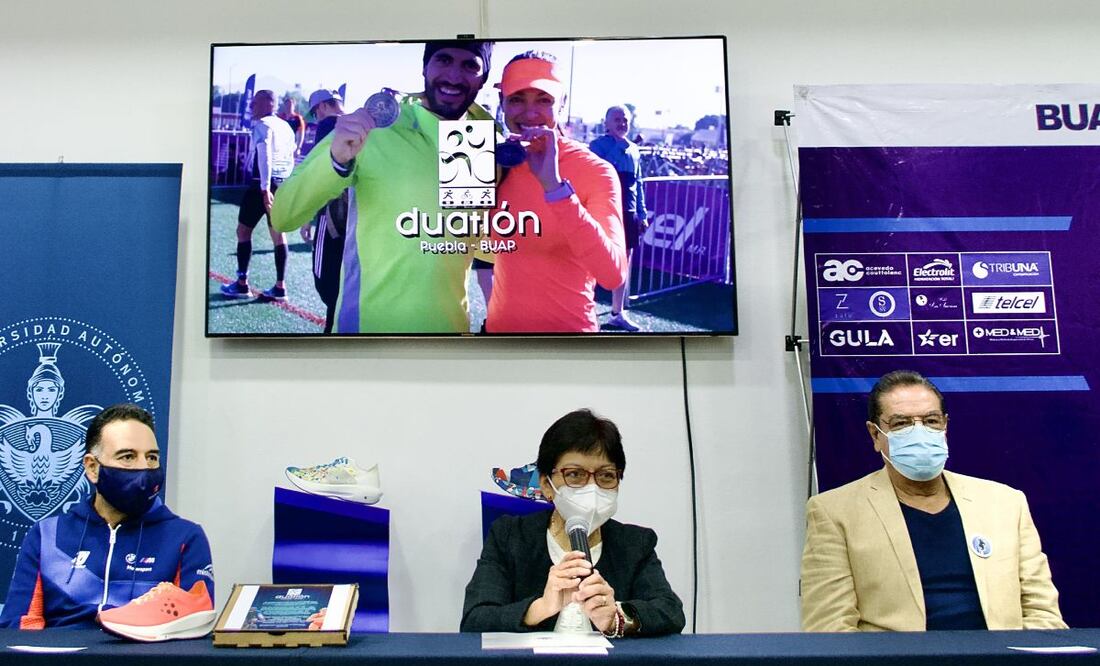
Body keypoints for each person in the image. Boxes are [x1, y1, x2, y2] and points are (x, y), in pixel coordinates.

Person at [800, 370, 1066, 632]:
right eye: (901, 424)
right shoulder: (835, 512)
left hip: (1002, 653)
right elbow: (829, 627)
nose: (919, 433)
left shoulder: (1005, 503)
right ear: (875, 434)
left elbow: (1042, 613)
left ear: (945, 426)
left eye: (931, 421)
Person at [271, 41, 495, 333]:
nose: (454, 75)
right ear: (425, 67)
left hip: (449, 336)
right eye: (443, 60)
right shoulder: (375, 126)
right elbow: (282, 216)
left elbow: (474, 248)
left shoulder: (478, 141)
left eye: (469, 65)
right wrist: (335, 161)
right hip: (369, 338)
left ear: (484, 77)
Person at [461, 409, 684, 636]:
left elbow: (671, 612)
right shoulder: (510, 536)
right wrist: (540, 608)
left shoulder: (635, 543)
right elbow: (475, 618)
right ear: (546, 485)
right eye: (575, 474)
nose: (592, 488)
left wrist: (616, 617)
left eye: (606, 475)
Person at [0, 404, 214, 629]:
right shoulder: (47, 535)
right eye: (128, 457)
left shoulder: (185, 537)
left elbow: (191, 625)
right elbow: (20, 626)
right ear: (92, 468)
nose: (144, 468)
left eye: (152, 457)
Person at [485, 53, 627, 333]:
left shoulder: (595, 170)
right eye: (517, 99)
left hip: (568, 343)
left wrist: (556, 188)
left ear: (562, 104)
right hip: (498, 340)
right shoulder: (495, 160)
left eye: (544, 100)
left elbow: (612, 275)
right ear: (502, 103)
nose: (530, 113)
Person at [221, 89, 296, 302]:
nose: (251, 106)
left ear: (267, 103)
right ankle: (280, 287)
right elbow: (291, 157)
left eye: (254, 102)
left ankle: (242, 283)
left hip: (260, 185)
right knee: (278, 234)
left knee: (243, 231)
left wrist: (264, 189)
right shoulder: (285, 126)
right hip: (281, 184)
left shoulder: (263, 124)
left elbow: (265, 156)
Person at [590, 105, 649, 332]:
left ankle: (617, 312)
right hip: (603, 209)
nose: (622, 123)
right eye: (616, 119)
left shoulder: (634, 149)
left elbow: (638, 183)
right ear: (606, 123)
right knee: (593, 257)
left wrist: (642, 214)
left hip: (629, 212)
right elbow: (596, 173)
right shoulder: (597, 146)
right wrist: (618, 145)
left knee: (624, 261)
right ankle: (587, 308)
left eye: (625, 120)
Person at [305, 88, 348, 333]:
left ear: (322, 107)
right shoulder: (361, 123)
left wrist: (308, 214)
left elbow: (318, 174)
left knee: (326, 282)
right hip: (358, 215)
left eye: (315, 112)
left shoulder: (328, 125)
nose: (316, 118)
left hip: (331, 213)